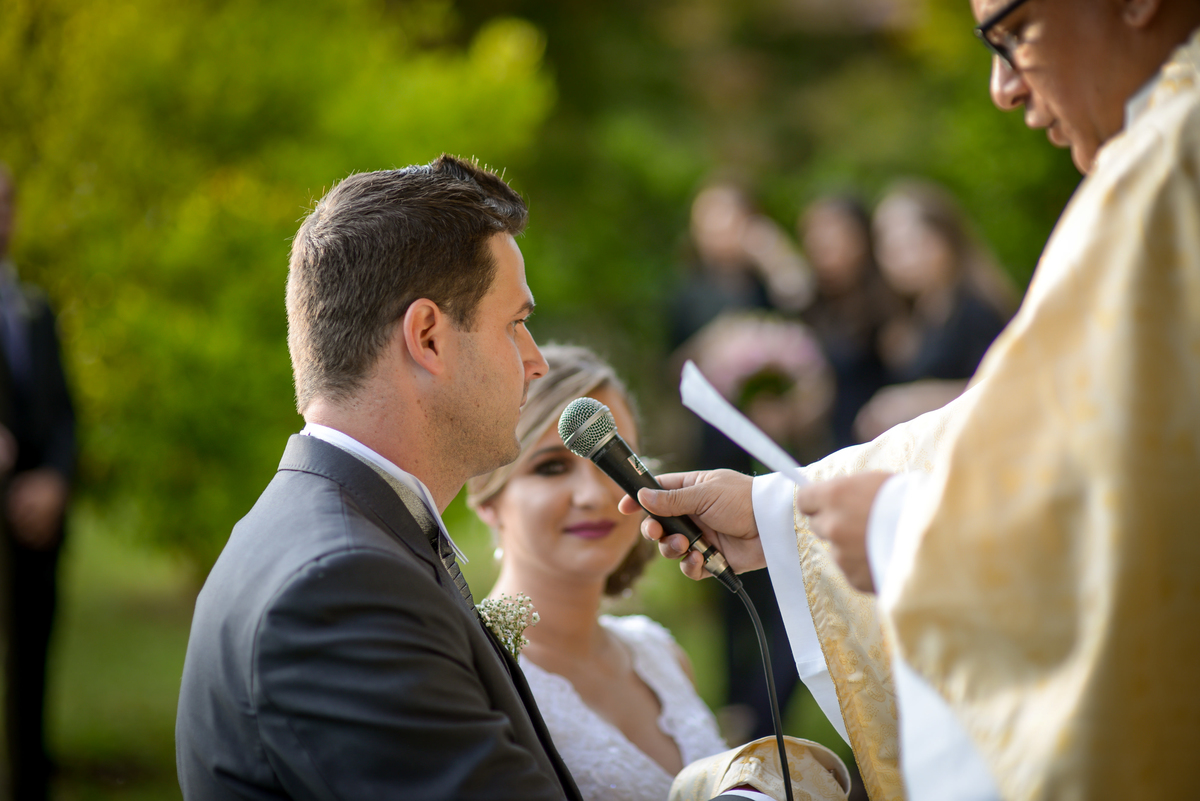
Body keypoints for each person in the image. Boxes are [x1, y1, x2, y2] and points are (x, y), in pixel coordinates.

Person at [622, 2, 1200, 800]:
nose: (1003, 87)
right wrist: (775, 509)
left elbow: (1112, 503)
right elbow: (1027, 434)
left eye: (1014, 33)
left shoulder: (1174, 169)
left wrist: (900, 529)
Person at [176, 155, 583, 800]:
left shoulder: (336, 531)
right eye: (515, 324)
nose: (535, 362)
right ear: (427, 336)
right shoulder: (338, 586)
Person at [466, 344, 728, 801]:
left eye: (611, 459)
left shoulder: (660, 655)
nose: (593, 495)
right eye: (551, 467)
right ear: (488, 499)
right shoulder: (477, 673)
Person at [0, 164, 77, 801]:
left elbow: (64, 412)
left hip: (40, 524)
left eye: (6, 202)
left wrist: (54, 480)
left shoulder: (34, 306)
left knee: (32, 664)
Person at [854, 179, 1014, 441]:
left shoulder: (975, 309)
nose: (897, 257)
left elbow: (1004, 388)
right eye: (886, 245)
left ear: (945, 238)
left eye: (910, 243)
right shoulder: (917, 316)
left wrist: (913, 401)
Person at [798, 195, 898, 450]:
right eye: (814, 232)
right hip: (836, 448)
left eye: (833, 230)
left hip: (886, 445)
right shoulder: (818, 304)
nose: (822, 241)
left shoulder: (891, 297)